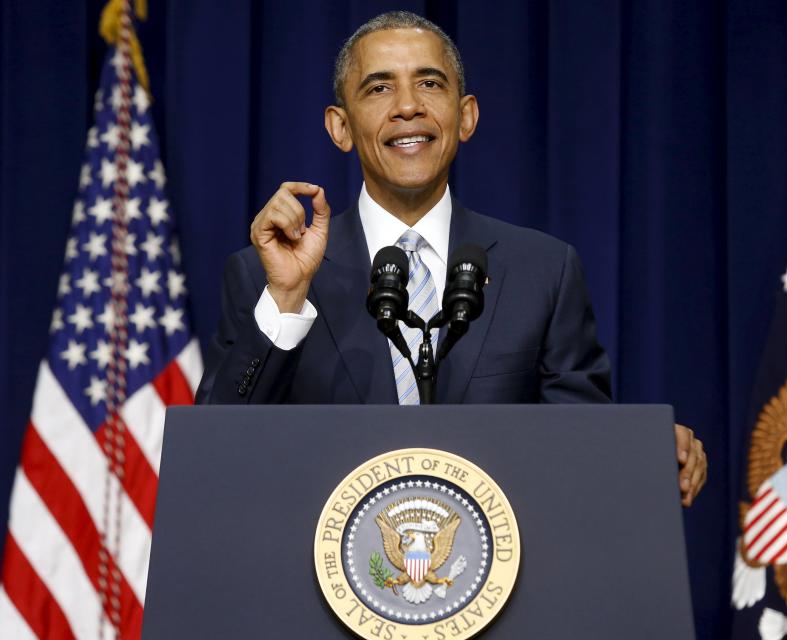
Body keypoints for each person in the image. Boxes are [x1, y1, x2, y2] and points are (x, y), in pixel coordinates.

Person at [196, 11, 707, 506]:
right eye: (378, 88)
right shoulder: (266, 275)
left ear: (465, 117)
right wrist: (286, 299)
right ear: (340, 127)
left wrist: (643, 451)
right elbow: (216, 456)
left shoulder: (543, 272)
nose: (407, 107)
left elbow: (581, 447)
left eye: (430, 84)